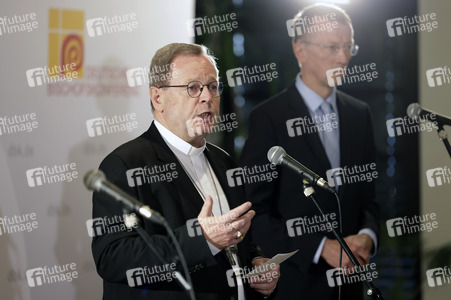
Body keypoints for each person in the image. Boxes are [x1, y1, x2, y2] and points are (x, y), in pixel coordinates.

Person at [90, 43, 279, 300]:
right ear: (158, 98)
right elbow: (113, 257)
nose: (207, 97)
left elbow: (241, 240)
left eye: (213, 87)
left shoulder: (224, 162)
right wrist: (203, 240)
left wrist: (257, 262)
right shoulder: (125, 165)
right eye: (193, 88)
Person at [239, 3, 380, 299]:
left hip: (352, 286)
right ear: (300, 50)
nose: (343, 58)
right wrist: (319, 247)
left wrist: (367, 238)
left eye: (348, 47)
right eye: (331, 47)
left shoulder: (360, 114)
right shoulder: (269, 118)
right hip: (297, 285)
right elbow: (256, 212)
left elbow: (369, 197)